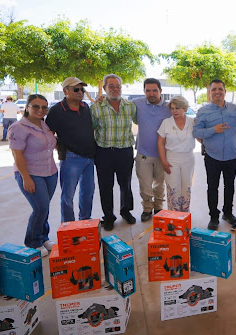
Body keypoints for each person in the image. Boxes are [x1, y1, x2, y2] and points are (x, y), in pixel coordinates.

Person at [8, 94, 57, 257]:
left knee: (44, 208)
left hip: (50, 172)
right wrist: (26, 178)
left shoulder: (45, 125)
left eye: (44, 107)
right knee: (40, 208)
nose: (40, 110)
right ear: (27, 107)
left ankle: (43, 237)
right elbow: (17, 155)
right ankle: (33, 242)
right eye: (36, 106)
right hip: (31, 174)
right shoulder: (18, 128)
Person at [91, 74, 137, 231]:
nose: (115, 89)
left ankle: (126, 211)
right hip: (104, 152)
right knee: (105, 186)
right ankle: (109, 216)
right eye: (111, 86)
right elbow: (91, 129)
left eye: (118, 86)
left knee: (126, 184)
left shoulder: (130, 106)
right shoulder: (96, 107)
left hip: (125, 151)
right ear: (104, 88)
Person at [45, 77, 96, 223]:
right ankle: (68, 226)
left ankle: (85, 222)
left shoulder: (85, 107)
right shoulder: (57, 110)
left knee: (88, 193)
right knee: (68, 196)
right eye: (76, 89)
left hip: (89, 158)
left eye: (82, 89)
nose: (80, 92)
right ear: (65, 91)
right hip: (71, 159)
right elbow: (49, 135)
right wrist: (62, 148)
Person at [193, 79, 236, 230]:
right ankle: (213, 216)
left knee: (230, 186)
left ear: (225, 91)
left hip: (232, 156)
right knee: (212, 187)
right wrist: (213, 130)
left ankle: (228, 213)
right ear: (209, 92)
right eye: (214, 89)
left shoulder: (235, 109)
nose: (217, 92)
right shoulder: (203, 111)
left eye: (220, 89)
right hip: (212, 156)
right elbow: (196, 131)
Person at [134, 78, 171, 222]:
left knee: (160, 184)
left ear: (160, 91)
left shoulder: (169, 107)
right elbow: (119, 103)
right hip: (143, 154)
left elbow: (182, 113)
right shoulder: (137, 103)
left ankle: (159, 207)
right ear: (144, 91)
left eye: (154, 90)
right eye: (148, 91)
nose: (151, 94)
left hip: (163, 155)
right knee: (145, 184)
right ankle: (147, 208)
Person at [157, 95, 195, 211]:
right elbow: (160, 143)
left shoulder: (192, 122)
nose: (174, 111)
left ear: (184, 108)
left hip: (188, 159)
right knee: (173, 188)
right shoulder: (166, 122)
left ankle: (184, 214)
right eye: (172, 108)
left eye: (177, 108)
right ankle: (173, 215)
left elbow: (201, 137)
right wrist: (163, 161)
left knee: (186, 187)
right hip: (172, 159)